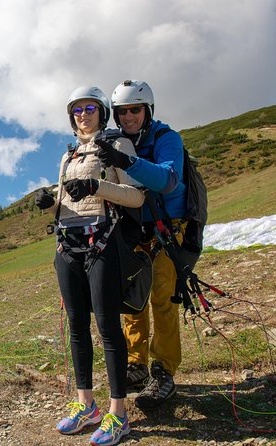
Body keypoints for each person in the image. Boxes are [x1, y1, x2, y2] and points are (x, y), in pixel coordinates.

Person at [35, 86, 144, 445]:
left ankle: (118, 414)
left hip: (102, 241)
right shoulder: (67, 157)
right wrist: (50, 203)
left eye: (90, 107)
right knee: (77, 326)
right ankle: (87, 405)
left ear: (101, 111)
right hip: (67, 245)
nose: (83, 114)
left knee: (108, 326)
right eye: (77, 109)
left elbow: (136, 196)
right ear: (72, 116)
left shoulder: (117, 146)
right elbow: (68, 204)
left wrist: (96, 185)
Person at [94, 79, 188, 409]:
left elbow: (168, 179)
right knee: (133, 300)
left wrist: (129, 163)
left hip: (166, 232)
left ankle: (163, 371)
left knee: (162, 298)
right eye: (122, 112)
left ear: (148, 110)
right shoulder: (115, 142)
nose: (129, 117)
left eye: (135, 110)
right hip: (131, 235)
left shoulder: (166, 139)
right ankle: (136, 364)